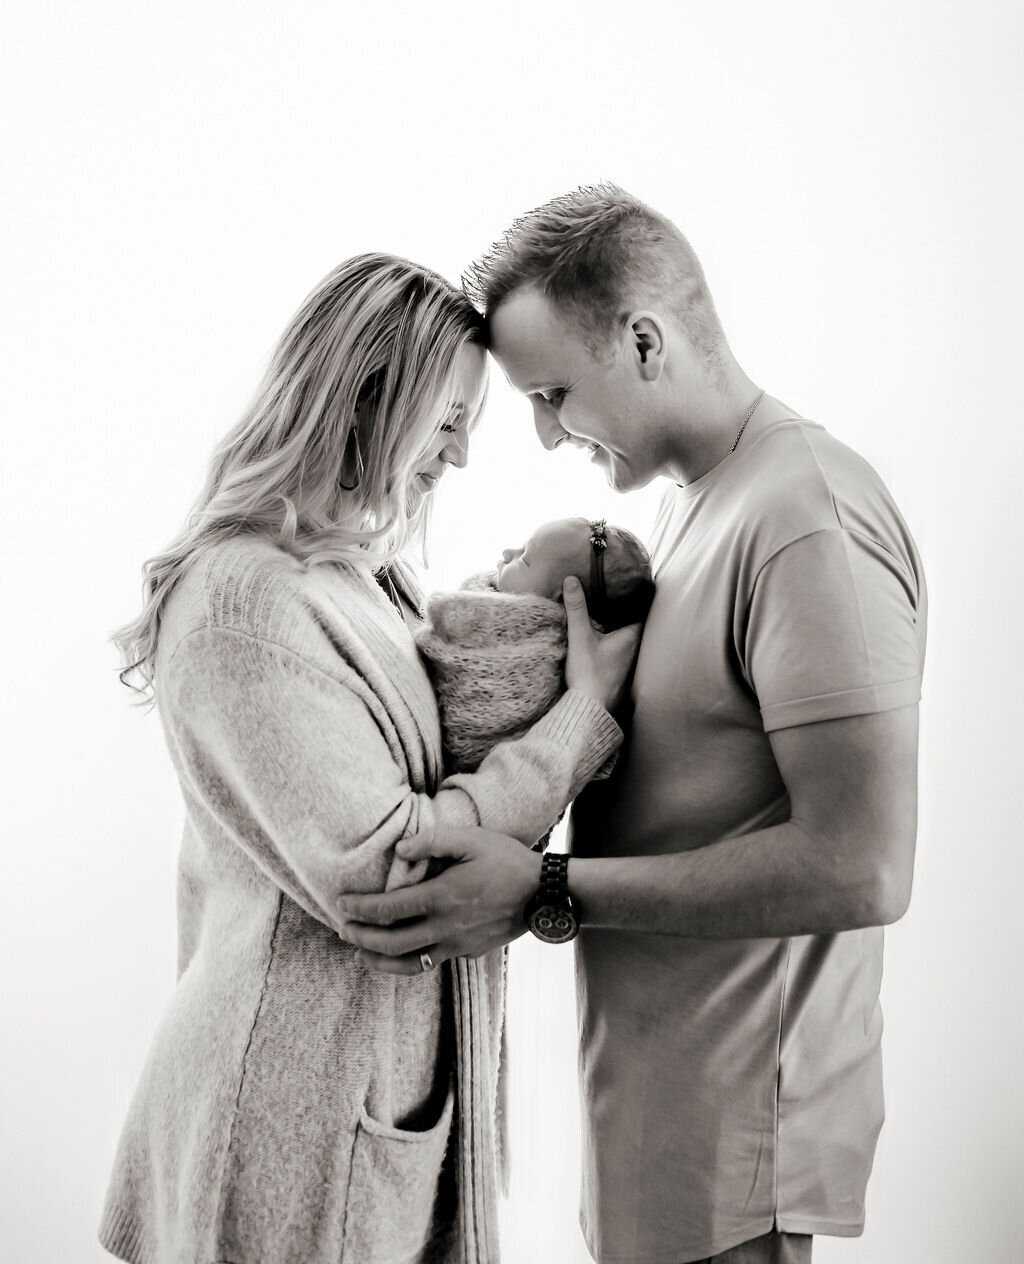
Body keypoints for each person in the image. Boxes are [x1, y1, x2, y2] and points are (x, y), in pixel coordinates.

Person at [338, 188, 927, 1264]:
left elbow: (863, 868)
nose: (544, 431)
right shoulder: (693, 502)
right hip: (658, 1117)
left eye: (553, 392)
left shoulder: (806, 520)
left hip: (736, 1152)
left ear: (644, 342)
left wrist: (544, 892)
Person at [98, 252, 641, 1264]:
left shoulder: (361, 578)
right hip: (280, 1128)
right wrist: (581, 716)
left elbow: (443, 767)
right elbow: (399, 875)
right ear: (361, 398)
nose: (462, 456)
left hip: (364, 1095)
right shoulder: (244, 603)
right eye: (448, 420)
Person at [419, 516, 654, 772]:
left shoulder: (540, 658)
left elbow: (493, 712)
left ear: (561, 599)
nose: (508, 553)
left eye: (525, 559)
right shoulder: (482, 600)